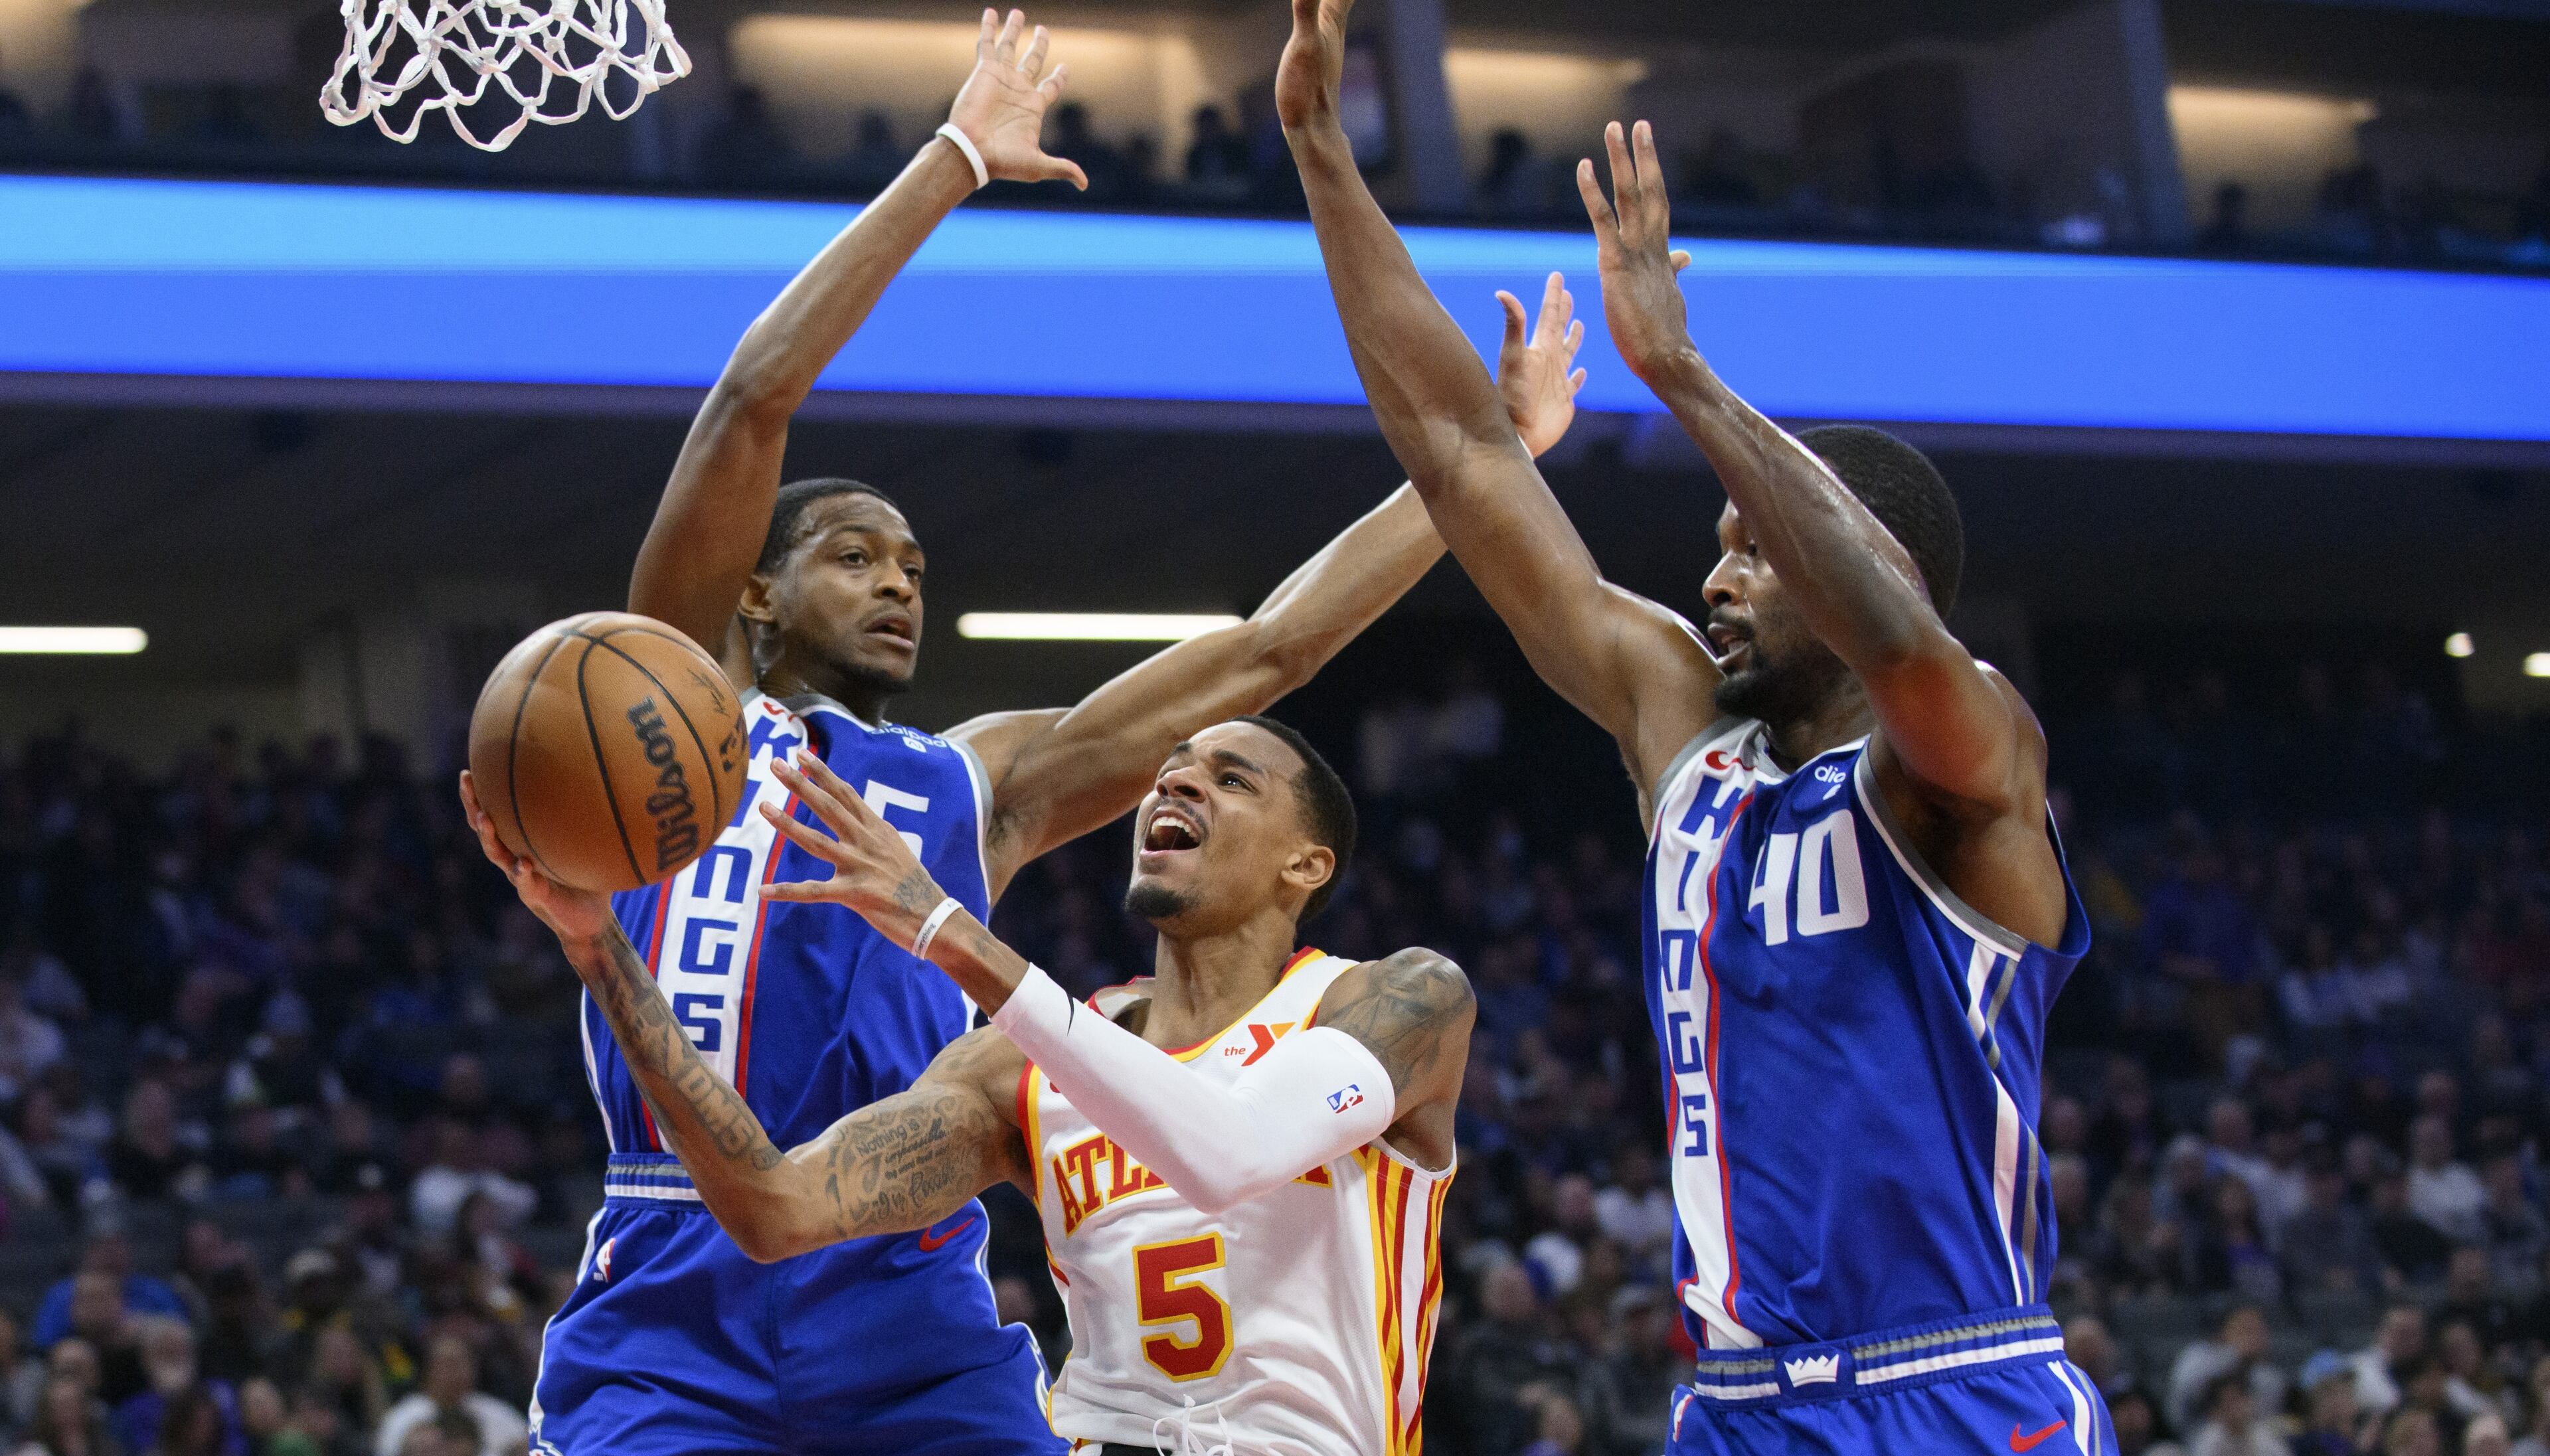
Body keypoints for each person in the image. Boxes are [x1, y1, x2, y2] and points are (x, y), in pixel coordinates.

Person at [465, 10, 1574, 1456]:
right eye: (857, 555)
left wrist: (1483, 469)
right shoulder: (674, 696)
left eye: (917, 568)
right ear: (754, 593)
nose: (897, 584)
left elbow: (1274, 646)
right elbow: (754, 397)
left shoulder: (972, 777)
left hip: (905, 1281)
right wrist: (950, 161)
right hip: (681, 1271)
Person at [1276, 0, 2106, 1449]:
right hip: (1732, 1403)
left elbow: (1903, 640)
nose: (1715, 575)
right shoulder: (1685, 731)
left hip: (1952, 1382)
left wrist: (1689, 379)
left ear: (1857, 562)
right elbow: (1468, 453)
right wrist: (1323, 156)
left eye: (1753, 548)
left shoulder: (1967, 762)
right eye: (1715, 543)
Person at [468, 715, 1476, 1454]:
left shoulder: (1401, 1001)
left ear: (1308, 862)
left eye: (1230, 777)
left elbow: (1230, 1150)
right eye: (1168, 768)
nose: (1177, 784)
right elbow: (775, 1208)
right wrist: (598, 947)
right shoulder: (1020, 1068)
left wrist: (943, 927)